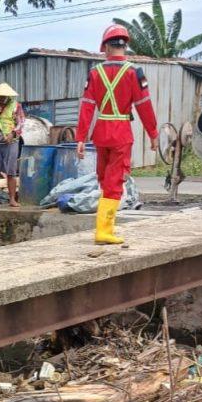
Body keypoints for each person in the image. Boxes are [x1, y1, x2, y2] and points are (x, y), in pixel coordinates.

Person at [76, 24, 159, 245]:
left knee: (104, 178)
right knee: (114, 180)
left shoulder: (94, 73)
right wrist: (153, 133)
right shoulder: (134, 72)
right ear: (125, 45)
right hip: (121, 132)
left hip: (101, 131)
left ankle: (104, 227)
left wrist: (81, 138)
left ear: (105, 47)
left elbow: (86, 106)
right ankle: (104, 230)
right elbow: (144, 105)